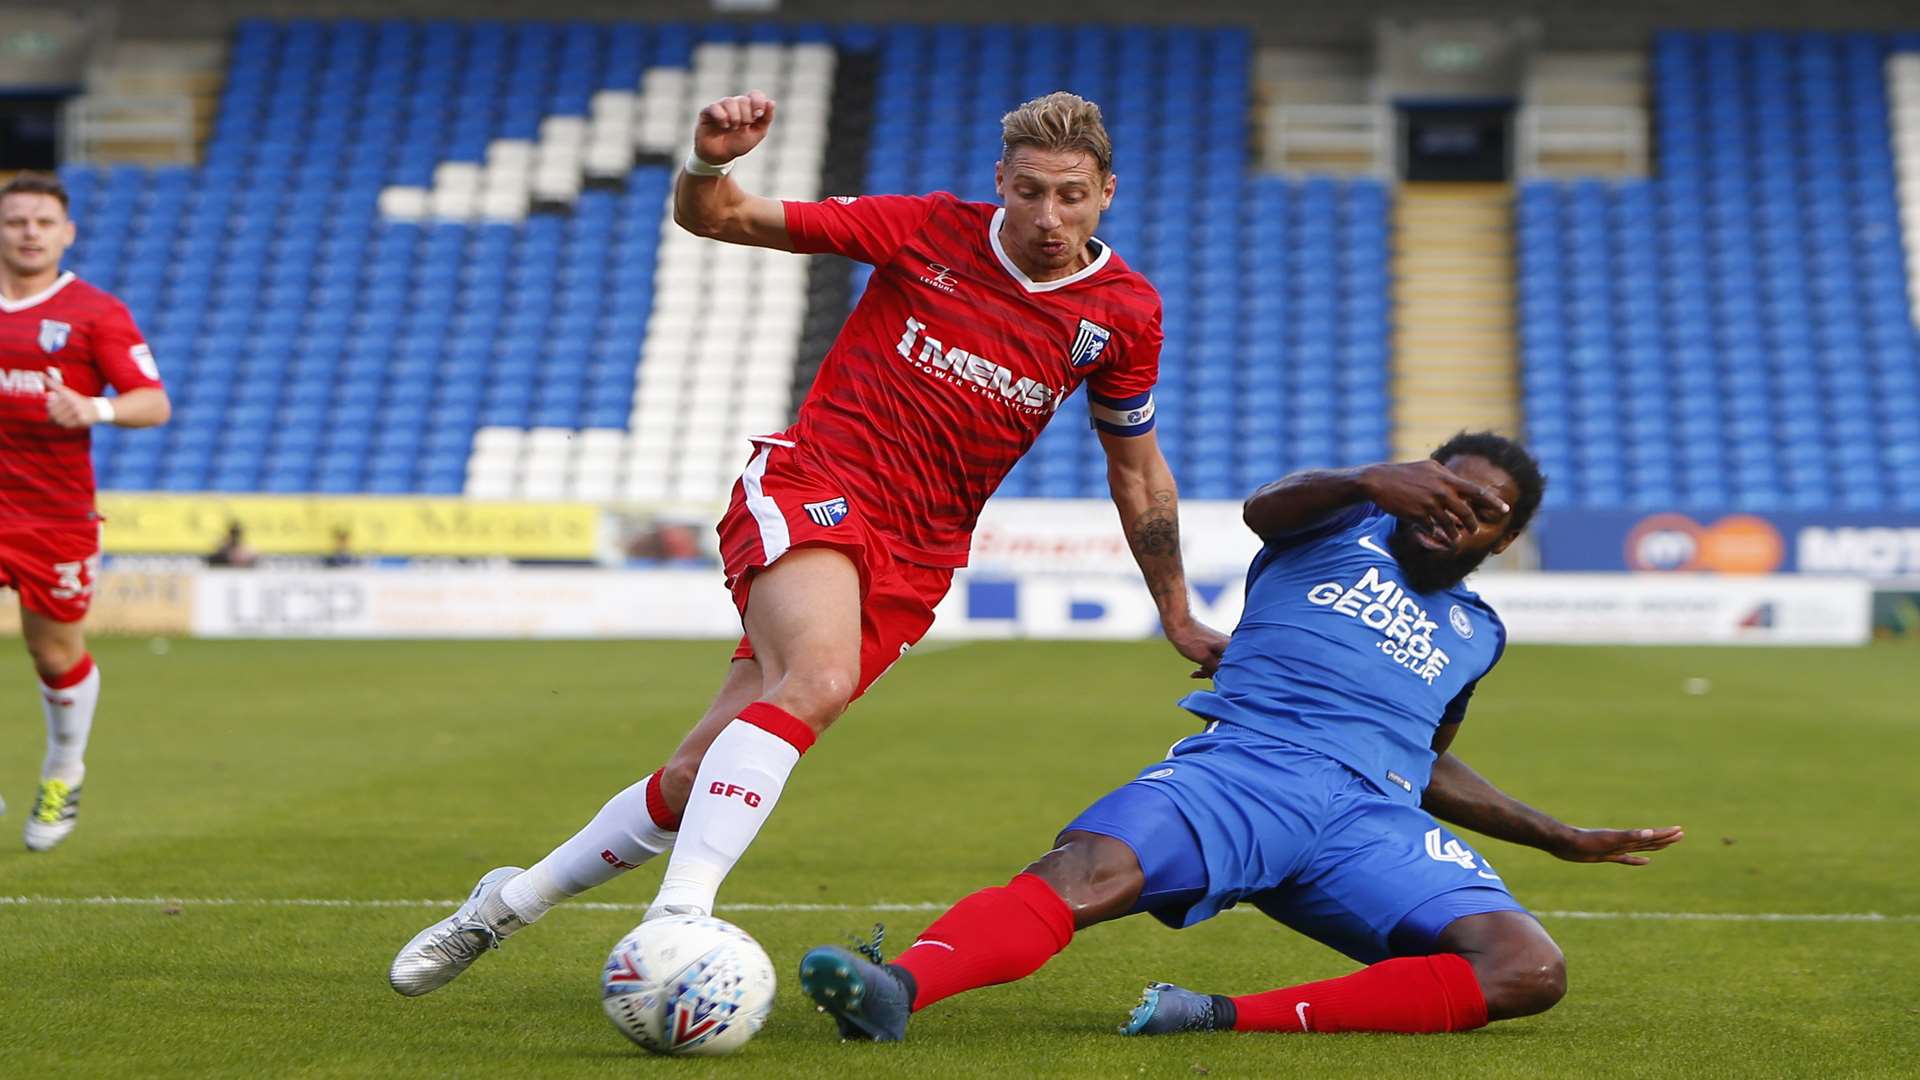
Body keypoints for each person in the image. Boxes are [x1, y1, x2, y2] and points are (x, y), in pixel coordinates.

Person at [389, 90, 1227, 995]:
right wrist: (711, 161)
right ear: (1000, 183)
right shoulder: (926, 230)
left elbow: (1137, 469)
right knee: (817, 679)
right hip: (815, 483)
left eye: (1071, 195)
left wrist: (1177, 613)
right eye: (1029, 191)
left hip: (921, 551)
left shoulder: (1124, 313)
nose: (1048, 216)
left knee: (694, 771)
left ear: (1107, 192)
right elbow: (720, 217)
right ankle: (677, 925)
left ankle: (500, 908)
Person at [796, 433, 1686, 1041]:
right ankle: (897, 992)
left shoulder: (1478, 632)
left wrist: (1554, 834)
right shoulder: (1339, 524)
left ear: (1506, 536)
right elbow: (1267, 509)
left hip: (1371, 822)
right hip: (1247, 774)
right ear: (1415, 480)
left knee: (1529, 971)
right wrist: (1371, 479)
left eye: (1483, 507)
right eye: (1444, 485)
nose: (1457, 509)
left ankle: (1214, 1016)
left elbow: (1427, 759)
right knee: (1083, 875)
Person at [0, 172, 171, 851]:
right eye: (16, 221)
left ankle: (64, 769)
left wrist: (94, 406)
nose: (30, 232)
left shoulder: (94, 313)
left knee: (53, 651)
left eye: (43, 221)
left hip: (54, 515)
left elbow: (152, 402)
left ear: (66, 232)